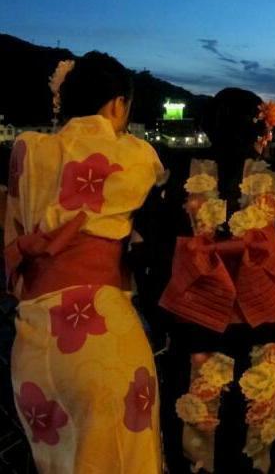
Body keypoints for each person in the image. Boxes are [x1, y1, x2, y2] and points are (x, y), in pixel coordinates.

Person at [134, 88, 275, 474]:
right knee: (257, 445)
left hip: (191, 334)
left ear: (205, 128)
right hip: (263, 333)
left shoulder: (172, 175)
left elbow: (140, 249)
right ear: (262, 129)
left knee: (193, 441)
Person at [3, 55, 164, 473]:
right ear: (117, 105)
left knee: (54, 461)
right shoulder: (137, 156)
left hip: (35, 335)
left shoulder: (27, 148)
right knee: (120, 457)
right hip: (101, 331)